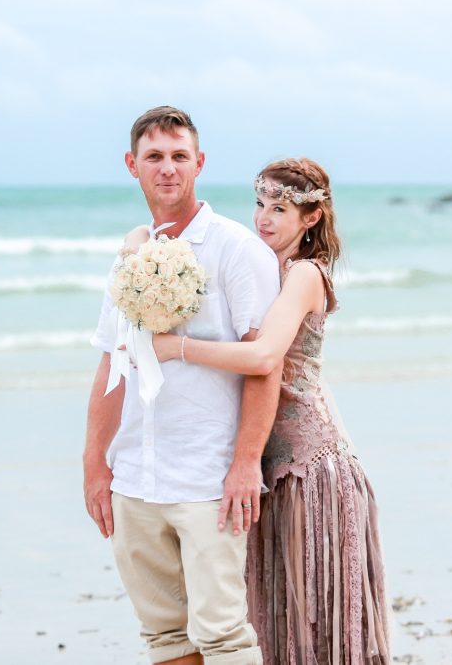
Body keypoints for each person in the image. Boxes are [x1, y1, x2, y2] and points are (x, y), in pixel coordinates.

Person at [124, 159, 391, 664]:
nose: (264, 218)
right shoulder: (262, 265)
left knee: (315, 613)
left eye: (280, 209)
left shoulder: (306, 275)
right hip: (263, 461)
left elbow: (264, 357)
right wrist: (140, 238)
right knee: (271, 611)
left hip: (310, 468)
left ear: (310, 219)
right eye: (260, 205)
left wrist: (176, 347)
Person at [84, 105, 281, 665]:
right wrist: (95, 463)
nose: (166, 169)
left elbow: (266, 365)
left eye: (177, 157)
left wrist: (246, 463)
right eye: (154, 157)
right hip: (135, 477)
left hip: (207, 477)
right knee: (164, 636)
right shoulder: (128, 258)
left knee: (221, 635)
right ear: (132, 165)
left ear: (198, 163)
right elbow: (110, 364)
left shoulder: (237, 249)